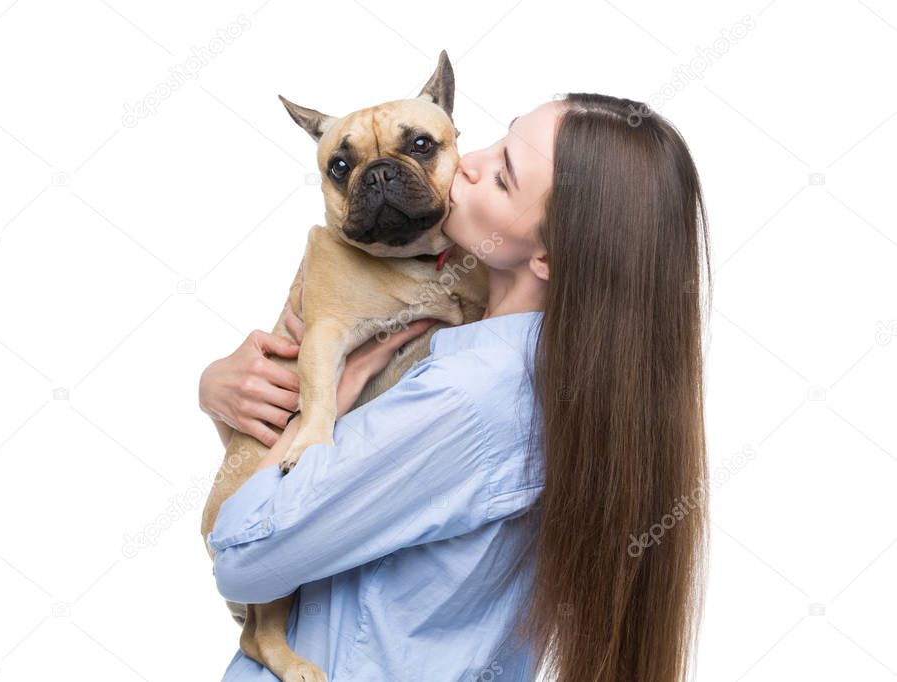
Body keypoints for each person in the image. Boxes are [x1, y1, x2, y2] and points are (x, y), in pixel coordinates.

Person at [200, 93, 711, 682]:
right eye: (495, 141)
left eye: (503, 175)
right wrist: (223, 394)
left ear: (549, 254)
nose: (470, 163)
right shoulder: (541, 367)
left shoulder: (465, 400)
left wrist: (324, 402)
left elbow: (243, 557)